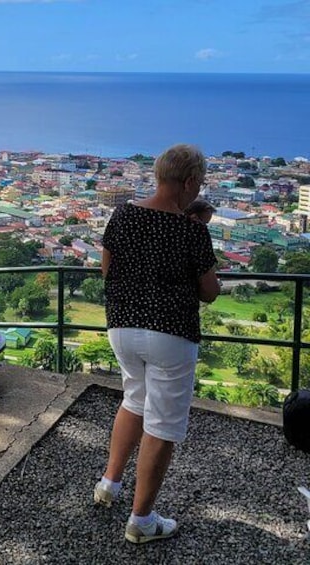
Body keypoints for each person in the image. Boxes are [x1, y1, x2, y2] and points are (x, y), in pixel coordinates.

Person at [93, 143, 221, 544]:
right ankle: (142, 520)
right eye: (197, 183)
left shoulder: (124, 214)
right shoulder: (191, 230)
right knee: (162, 424)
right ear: (187, 183)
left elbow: (107, 270)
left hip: (123, 328)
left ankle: (109, 485)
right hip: (171, 333)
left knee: (134, 399)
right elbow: (210, 292)